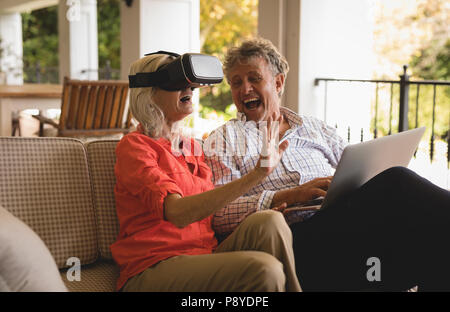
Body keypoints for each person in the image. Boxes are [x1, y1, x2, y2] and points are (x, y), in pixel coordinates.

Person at [203, 37, 450, 291]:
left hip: (342, 219)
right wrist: (289, 195)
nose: (245, 89)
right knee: (398, 182)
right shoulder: (223, 139)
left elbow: (358, 166)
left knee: (433, 243)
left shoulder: (314, 127)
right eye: (236, 82)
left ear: (278, 82)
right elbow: (219, 215)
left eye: (254, 79)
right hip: (294, 236)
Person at [110, 51, 302, 292]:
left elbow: (212, 208)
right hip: (153, 266)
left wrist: (260, 206)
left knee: (270, 221)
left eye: (191, 84)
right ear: (149, 94)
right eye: (177, 83)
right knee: (264, 269)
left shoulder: (193, 148)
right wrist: (257, 174)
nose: (189, 89)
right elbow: (177, 213)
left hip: (204, 254)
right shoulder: (135, 146)